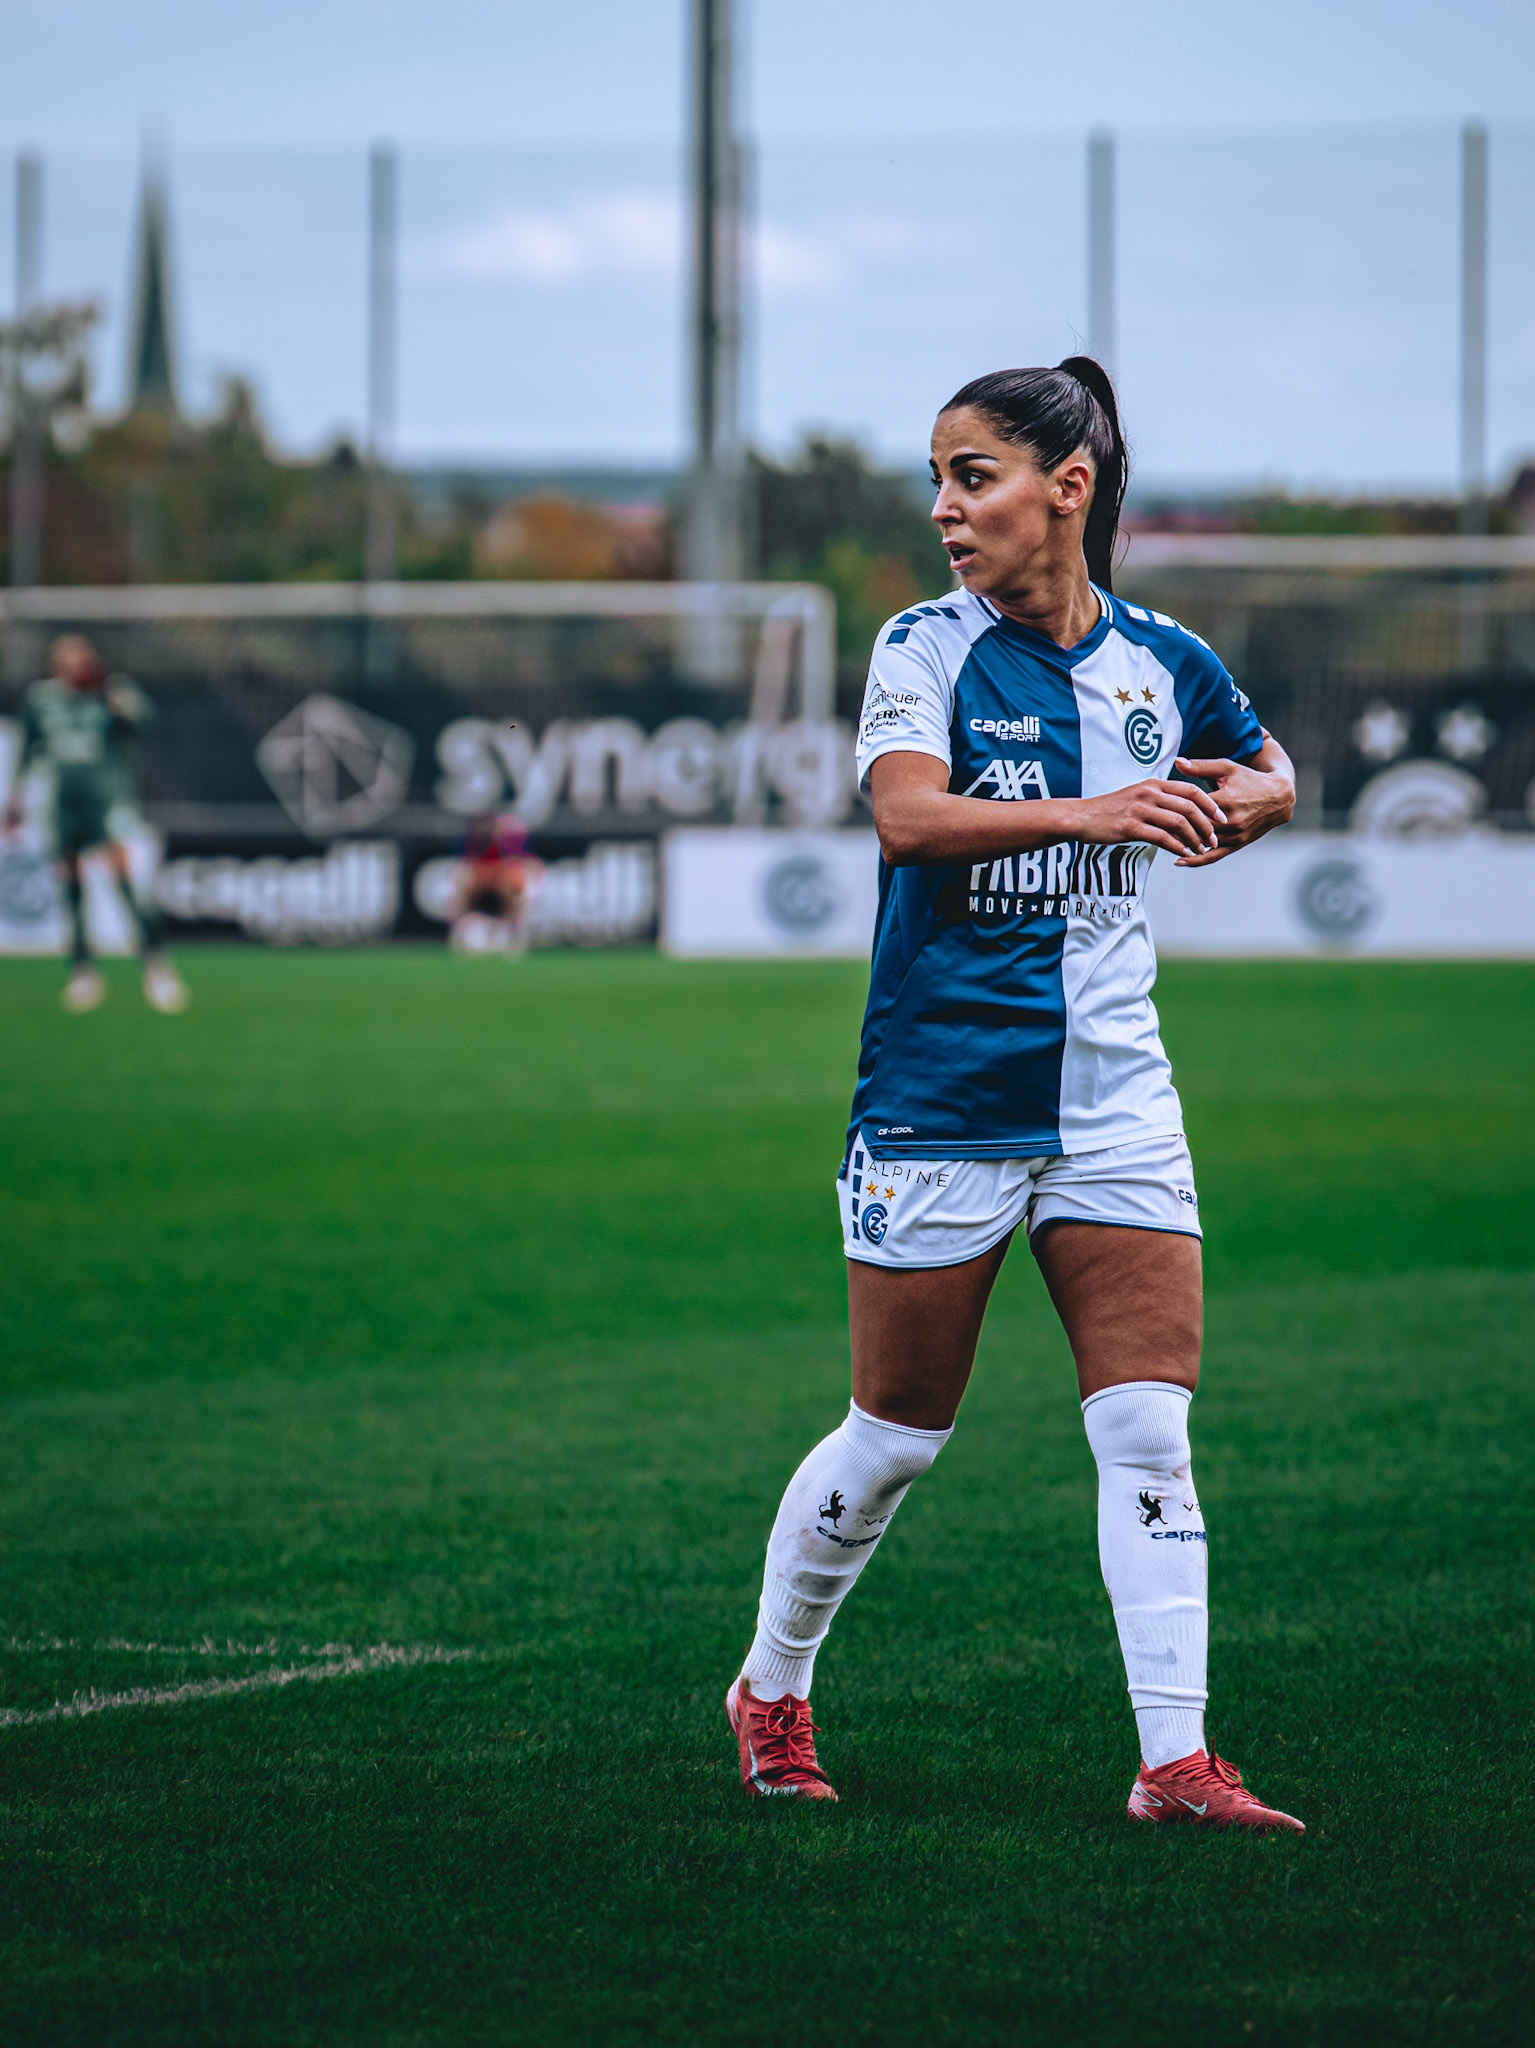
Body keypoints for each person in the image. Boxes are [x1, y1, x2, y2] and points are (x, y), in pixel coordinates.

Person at [726, 359, 1303, 1833]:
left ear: (1067, 486)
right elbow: (905, 817)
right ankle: (770, 1686)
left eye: (969, 476)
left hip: (1114, 1096)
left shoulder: (1160, 656)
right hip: (942, 1096)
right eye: (936, 478)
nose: (942, 507)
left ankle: (1173, 1760)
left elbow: (1268, 769)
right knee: (895, 1436)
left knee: (1147, 1427)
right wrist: (1094, 810)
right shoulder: (922, 645)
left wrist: (1256, 798)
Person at [3, 634, 187, 1012]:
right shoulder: (41, 698)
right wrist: (15, 797)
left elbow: (145, 723)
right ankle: (83, 971)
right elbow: (28, 748)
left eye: (82, 660)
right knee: (71, 885)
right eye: (67, 661)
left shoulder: (111, 690)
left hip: (106, 799)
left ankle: (155, 965)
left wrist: (116, 700)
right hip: (62, 802)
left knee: (123, 879)